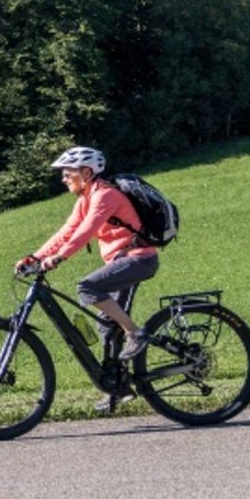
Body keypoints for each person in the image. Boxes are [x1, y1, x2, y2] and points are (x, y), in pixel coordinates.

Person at [19, 146, 160, 413]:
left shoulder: (105, 195)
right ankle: (117, 389)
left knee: (88, 287)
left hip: (138, 259)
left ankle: (136, 333)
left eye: (67, 173)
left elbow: (87, 231)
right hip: (121, 261)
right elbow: (67, 231)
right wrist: (34, 258)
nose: (63, 179)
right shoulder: (85, 199)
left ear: (86, 172)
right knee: (107, 326)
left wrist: (59, 258)